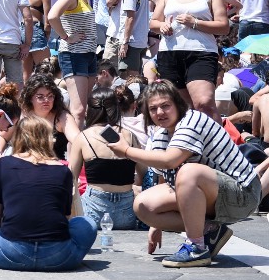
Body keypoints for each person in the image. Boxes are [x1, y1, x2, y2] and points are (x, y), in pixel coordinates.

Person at [108, 79, 262, 267]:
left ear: (178, 105)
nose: (160, 113)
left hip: (244, 194)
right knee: (143, 205)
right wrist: (157, 225)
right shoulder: (160, 136)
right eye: (153, 109)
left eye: (165, 106)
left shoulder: (192, 120)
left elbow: (171, 160)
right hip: (214, 195)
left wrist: (125, 151)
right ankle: (210, 231)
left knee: (189, 172)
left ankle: (196, 247)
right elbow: (165, 180)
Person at [0, 116, 95, 271]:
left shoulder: (3, 165)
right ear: (48, 139)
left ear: (19, 137)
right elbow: (63, 219)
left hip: (10, 253)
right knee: (87, 224)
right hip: (58, 256)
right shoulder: (63, 171)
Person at [151, 0, 227, 122]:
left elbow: (223, 27)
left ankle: (218, 146)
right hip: (170, 53)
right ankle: (183, 145)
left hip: (201, 52)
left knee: (204, 102)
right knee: (180, 107)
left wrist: (194, 23)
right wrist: (162, 25)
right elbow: (154, 22)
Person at [67, 86, 144, 230]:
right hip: (126, 214)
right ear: (116, 107)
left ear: (91, 109)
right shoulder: (130, 136)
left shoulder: (83, 138)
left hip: (93, 211)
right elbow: (144, 173)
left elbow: (71, 178)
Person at [47, 0, 101, 127]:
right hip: (74, 54)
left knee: (82, 108)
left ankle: (77, 147)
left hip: (88, 53)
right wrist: (66, 37)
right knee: (78, 110)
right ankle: (75, 151)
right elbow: (52, 16)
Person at [106, 0, 151, 73]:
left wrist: (125, 42)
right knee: (133, 78)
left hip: (131, 41)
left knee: (128, 79)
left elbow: (130, 16)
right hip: (139, 40)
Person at [21, 73, 80, 161]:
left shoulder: (62, 116)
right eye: (40, 97)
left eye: (50, 96)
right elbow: (4, 136)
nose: (46, 100)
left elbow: (78, 141)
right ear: (30, 98)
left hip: (54, 164)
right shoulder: (23, 113)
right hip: (25, 162)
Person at [24, 0, 54, 78]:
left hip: (23, 30)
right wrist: (46, 36)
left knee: (25, 74)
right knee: (45, 73)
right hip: (36, 30)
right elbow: (48, 21)